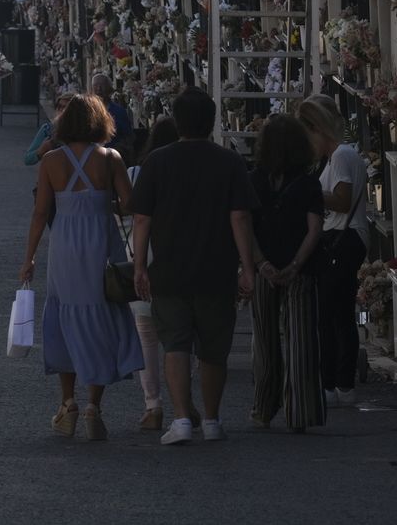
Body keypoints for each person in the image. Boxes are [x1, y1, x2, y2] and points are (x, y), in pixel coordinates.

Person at [129, 87, 259, 446]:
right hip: (217, 267)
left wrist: (139, 266)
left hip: (170, 267)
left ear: (177, 120)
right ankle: (213, 419)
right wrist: (248, 268)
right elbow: (239, 216)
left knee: (175, 343)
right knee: (214, 348)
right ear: (212, 121)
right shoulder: (229, 162)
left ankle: (182, 418)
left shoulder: (157, 162)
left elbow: (141, 219)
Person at [18, 95, 145, 441]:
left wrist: (29, 258)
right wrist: (104, 202)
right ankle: (93, 406)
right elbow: (130, 205)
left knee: (64, 317)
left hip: (65, 246)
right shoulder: (110, 158)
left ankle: (68, 402)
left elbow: (40, 213)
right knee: (101, 317)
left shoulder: (51, 161)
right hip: (101, 244)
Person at [248, 113, 327, 433]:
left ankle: (264, 407)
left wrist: (261, 264)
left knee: (264, 341)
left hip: (264, 269)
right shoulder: (309, 183)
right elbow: (315, 229)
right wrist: (295, 265)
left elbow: (246, 227)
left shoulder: (254, 180)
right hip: (302, 269)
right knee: (301, 341)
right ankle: (301, 411)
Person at [296, 95, 368, 408]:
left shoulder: (341, 156)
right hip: (343, 238)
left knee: (329, 315)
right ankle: (341, 383)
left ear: (316, 129)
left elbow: (342, 200)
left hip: (342, 238)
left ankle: (332, 383)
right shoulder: (336, 157)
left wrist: (309, 193)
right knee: (338, 314)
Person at [126, 117, 179, 431]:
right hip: (180, 256)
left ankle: (153, 405)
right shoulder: (188, 174)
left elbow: (130, 213)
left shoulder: (136, 173)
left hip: (142, 255)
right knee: (180, 333)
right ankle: (184, 404)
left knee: (145, 334)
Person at [24, 94, 74, 166]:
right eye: (59, 106)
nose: (62, 110)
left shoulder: (83, 131)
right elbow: (28, 159)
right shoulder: (48, 129)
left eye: (67, 107)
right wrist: (42, 149)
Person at [91, 74, 133, 157]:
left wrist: (117, 149)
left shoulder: (119, 111)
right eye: (95, 85)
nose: (99, 89)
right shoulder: (87, 111)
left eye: (102, 85)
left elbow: (128, 136)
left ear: (109, 89)